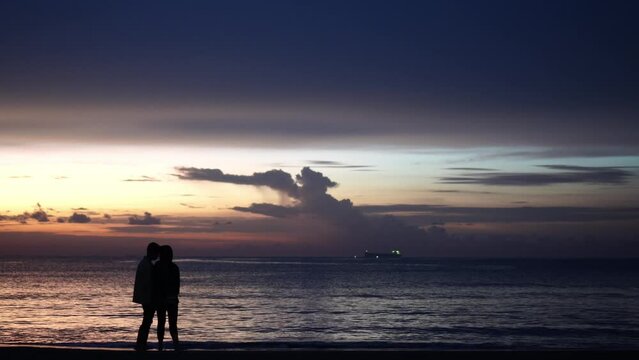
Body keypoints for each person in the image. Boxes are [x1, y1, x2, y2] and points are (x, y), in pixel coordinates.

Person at [133, 242, 160, 351]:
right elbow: (149, 283)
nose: (158, 256)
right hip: (147, 298)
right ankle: (141, 343)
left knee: (147, 321)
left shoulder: (145, 263)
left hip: (145, 297)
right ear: (151, 252)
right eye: (156, 253)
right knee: (147, 321)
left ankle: (141, 343)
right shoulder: (146, 265)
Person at [154, 245, 181, 351]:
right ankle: (176, 345)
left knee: (161, 323)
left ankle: (160, 345)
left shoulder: (158, 266)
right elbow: (177, 286)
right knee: (172, 324)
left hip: (162, 300)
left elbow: (155, 284)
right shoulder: (174, 267)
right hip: (172, 300)